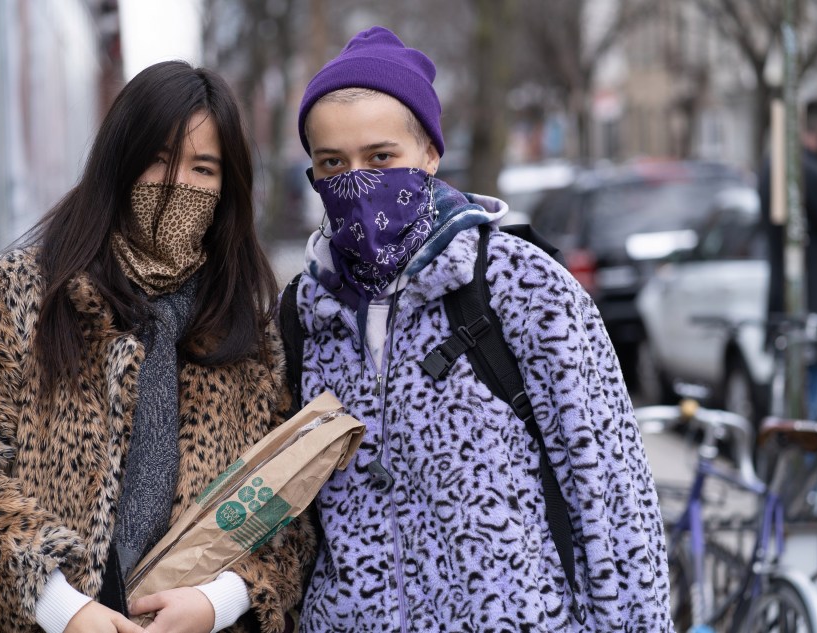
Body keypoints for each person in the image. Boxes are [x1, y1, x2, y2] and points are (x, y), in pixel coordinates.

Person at [286, 26, 673, 631]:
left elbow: (614, 504)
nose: (357, 183)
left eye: (381, 158)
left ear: (430, 156)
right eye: (333, 163)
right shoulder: (302, 315)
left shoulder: (522, 287)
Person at [0, 61, 315, 633]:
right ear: (119, 160)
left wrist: (222, 601)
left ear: (228, 186)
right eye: (158, 158)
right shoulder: (20, 296)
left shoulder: (250, 331)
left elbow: (287, 504)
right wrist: (61, 607)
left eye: (203, 167)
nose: (178, 184)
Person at [759, 98, 817, 421]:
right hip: (806, 308)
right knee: (809, 408)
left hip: (785, 304)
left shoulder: (774, 165)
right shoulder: (800, 170)